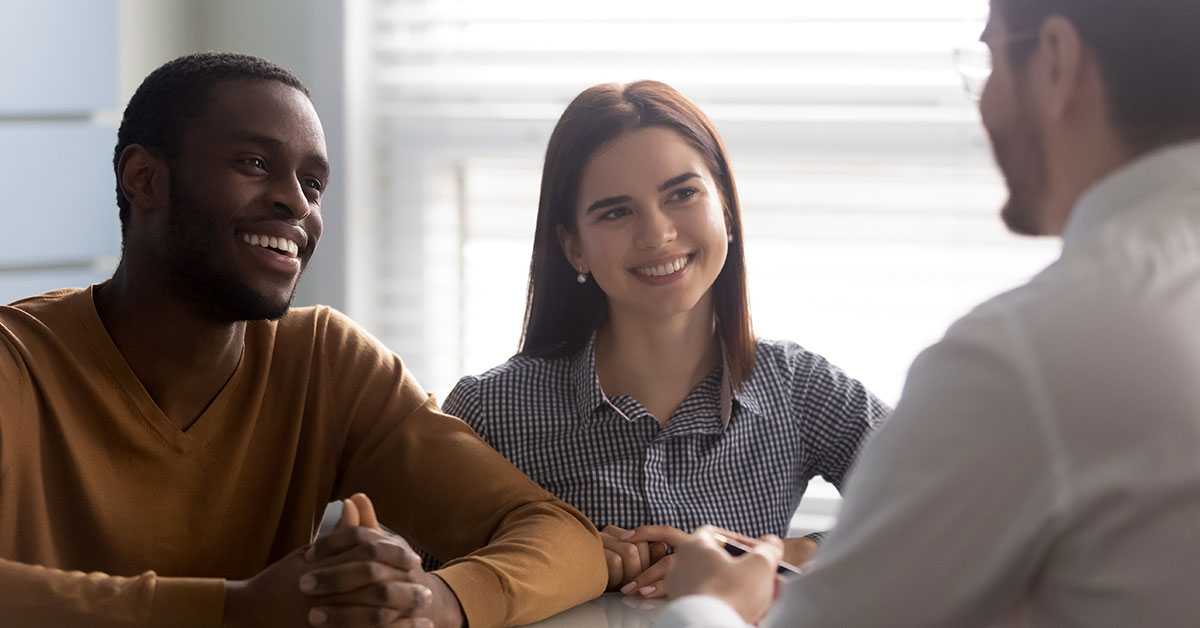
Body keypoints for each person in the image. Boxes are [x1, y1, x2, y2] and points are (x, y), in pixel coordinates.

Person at [0, 52, 605, 628]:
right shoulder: (16, 360)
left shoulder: (326, 363)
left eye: (313, 184)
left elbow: (563, 537)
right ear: (144, 178)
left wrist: (430, 599)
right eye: (254, 164)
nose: (297, 202)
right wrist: (237, 611)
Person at [660, 0, 1200, 625]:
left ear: (1056, 61)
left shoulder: (1020, 360)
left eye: (991, 59)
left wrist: (710, 602)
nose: (984, 102)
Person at [440, 80, 889, 598]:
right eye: (615, 211)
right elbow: (408, 583)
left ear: (725, 207)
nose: (657, 235)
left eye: (682, 194)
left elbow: (948, 505)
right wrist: (558, 561)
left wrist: (780, 556)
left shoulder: (799, 387)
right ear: (574, 248)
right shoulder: (490, 410)